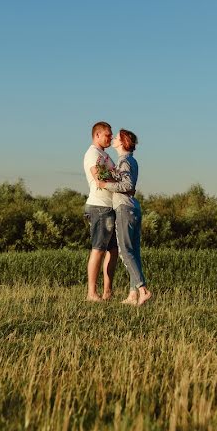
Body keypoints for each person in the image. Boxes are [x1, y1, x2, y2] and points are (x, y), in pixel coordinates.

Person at [97, 129, 152, 306]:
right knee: (134, 252)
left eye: (116, 137)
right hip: (133, 207)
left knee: (124, 251)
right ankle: (132, 294)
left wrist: (105, 184)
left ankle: (142, 290)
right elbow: (126, 182)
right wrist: (111, 175)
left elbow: (127, 184)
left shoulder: (124, 160)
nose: (112, 139)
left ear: (122, 142)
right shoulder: (131, 160)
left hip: (124, 207)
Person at [83, 121, 118, 301]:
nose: (110, 138)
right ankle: (91, 293)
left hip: (110, 207)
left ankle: (107, 292)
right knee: (98, 249)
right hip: (99, 207)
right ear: (97, 135)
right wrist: (117, 178)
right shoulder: (93, 154)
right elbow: (99, 177)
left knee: (113, 250)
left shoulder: (105, 155)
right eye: (107, 135)